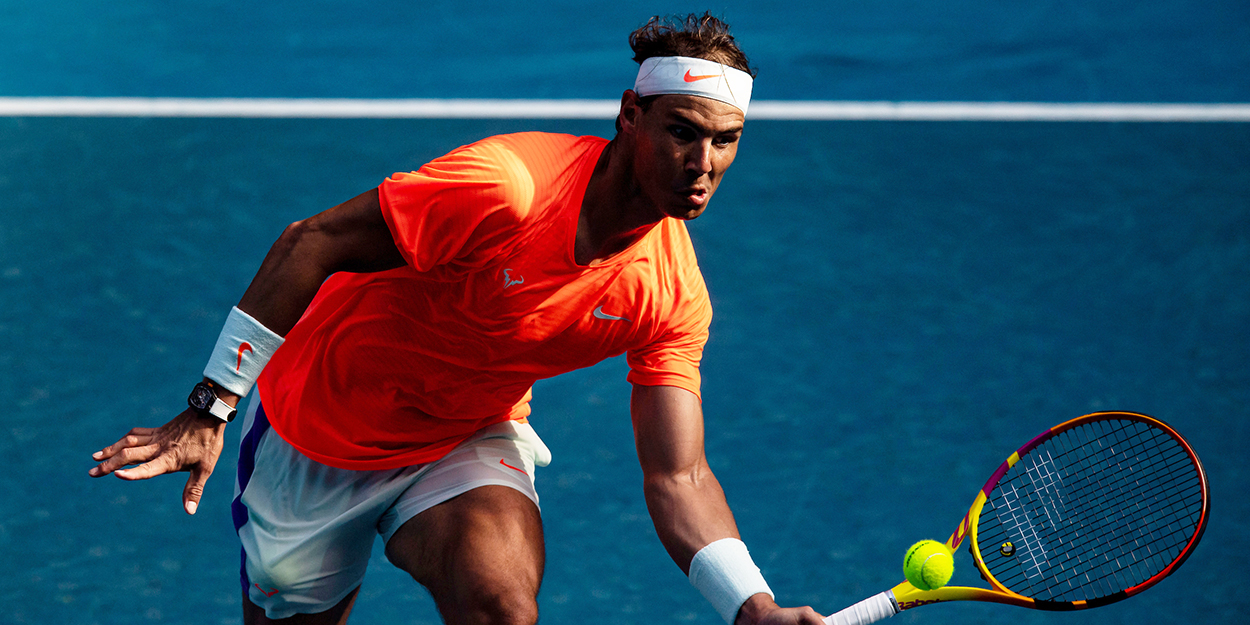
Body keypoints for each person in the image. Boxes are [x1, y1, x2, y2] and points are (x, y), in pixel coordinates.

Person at [89, 13, 825, 625]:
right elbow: (310, 242)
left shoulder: (669, 293)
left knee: (501, 606)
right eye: (682, 131)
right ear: (630, 115)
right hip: (317, 427)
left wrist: (751, 606)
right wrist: (210, 406)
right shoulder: (504, 189)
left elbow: (679, 473)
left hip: (462, 436)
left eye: (724, 140)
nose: (702, 162)